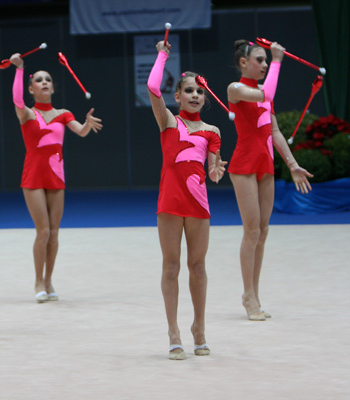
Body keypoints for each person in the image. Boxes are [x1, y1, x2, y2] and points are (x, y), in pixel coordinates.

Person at [147, 41, 227, 360]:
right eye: (189, 90)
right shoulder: (168, 121)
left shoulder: (212, 131)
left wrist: (217, 171)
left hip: (198, 203)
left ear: (205, 98)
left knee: (197, 266)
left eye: (200, 91)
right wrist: (162, 54)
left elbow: (213, 168)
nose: (195, 95)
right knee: (171, 266)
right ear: (178, 95)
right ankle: (173, 332)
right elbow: (153, 86)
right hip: (170, 200)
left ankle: (200, 328)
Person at [227, 40, 313, 321]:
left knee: (263, 232)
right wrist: (278, 60)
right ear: (244, 63)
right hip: (244, 165)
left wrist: (292, 163)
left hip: (266, 164)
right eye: (260, 60)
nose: (264, 65)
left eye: (266, 61)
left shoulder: (266, 95)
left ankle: (254, 292)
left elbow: (274, 131)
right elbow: (265, 93)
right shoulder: (237, 90)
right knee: (251, 231)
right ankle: (248, 295)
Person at [9, 53, 102, 303]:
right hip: (33, 176)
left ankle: (49, 279)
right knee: (43, 231)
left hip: (56, 175)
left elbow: (81, 132)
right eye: (39, 80)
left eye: (48, 79)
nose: (44, 83)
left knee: (55, 232)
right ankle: (38, 281)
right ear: (32, 89)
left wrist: (86, 123)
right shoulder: (27, 114)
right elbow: (17, 99)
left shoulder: (63, 113)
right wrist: (19, 69)